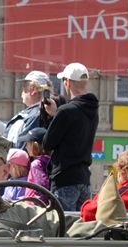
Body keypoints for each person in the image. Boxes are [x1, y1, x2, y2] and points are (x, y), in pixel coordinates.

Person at [42, 62, 99, 210]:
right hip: (84, 179)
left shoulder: (66, 111)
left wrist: (55, 116)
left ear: (67, 82)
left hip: (64, 178)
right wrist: (58, 114)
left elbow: (47, 144)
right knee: (80, 228)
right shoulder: (92, 110)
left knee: (63, 226)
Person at [0, 70, 52, 147]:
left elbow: (22, 147)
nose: (22, 92)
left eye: (24, 88)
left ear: (32, 90)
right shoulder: (34, 112)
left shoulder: (36, 114)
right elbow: (11, 134)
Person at [17, 127, 50, 199]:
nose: (25, 147)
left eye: (27, 144)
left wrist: (31, 201)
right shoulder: (50, 160)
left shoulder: (36, 164)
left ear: (34, 145)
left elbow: (41, 188)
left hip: (35, 207)